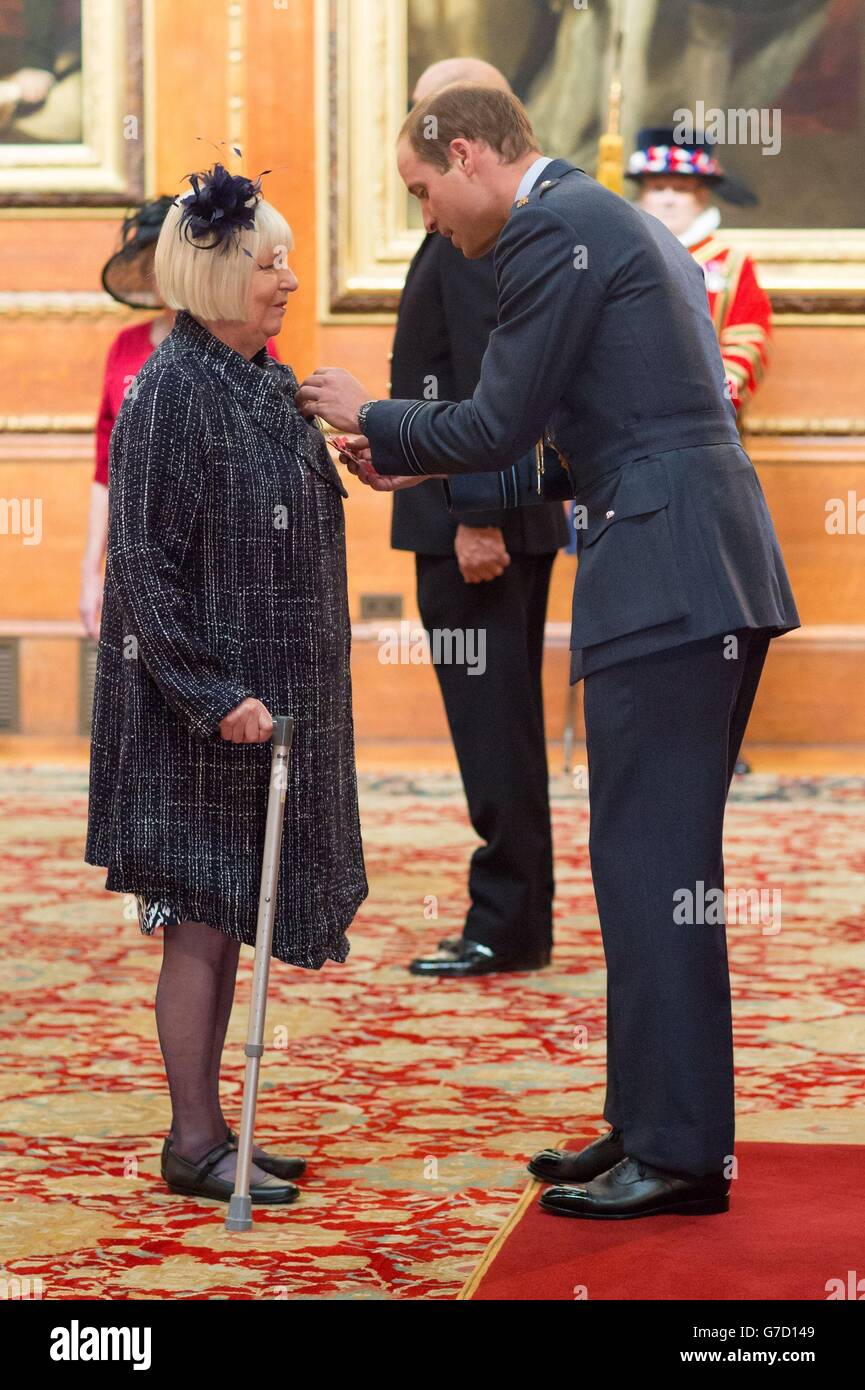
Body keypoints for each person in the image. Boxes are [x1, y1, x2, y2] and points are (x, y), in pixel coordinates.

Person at [297, 84, 800, 1220]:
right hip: (695, 560)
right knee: (645, 860)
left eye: (423, 192)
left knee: (654, 866)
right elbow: (582, 442)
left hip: (666, 575)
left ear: (466, 155)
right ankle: (647, 1123)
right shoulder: (599, 216)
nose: (428, 217)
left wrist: (374, 416)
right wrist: (424, 467)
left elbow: (495, 421)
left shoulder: (548, 230)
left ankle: (672, 1150)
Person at [84, 162, 368, 1206]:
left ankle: (211, 1128)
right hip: (197, 719)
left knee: (225, 914)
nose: (288, 280)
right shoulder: (169, 392)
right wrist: (210, 693)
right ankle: (197, 1139)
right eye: (268, 263)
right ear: (214, 275)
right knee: (198, 920)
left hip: (261, 708)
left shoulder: (252, 377)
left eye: (287, 259)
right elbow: (143, 570)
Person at [391, 57, 568, 979]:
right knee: (497, 724)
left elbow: (481, 382)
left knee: (493, 727)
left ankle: (505, 922)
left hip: (478, 528)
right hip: (478, 518)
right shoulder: (477, 224)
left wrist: (477, 518)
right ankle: (514, 913)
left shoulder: (479, 234)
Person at [79, 197, 281, 641]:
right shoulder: (125, 347)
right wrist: (91, 569)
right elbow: (104, 468)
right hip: (138, 554)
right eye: (153, 264)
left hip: (224, 557)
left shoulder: (245, 343)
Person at [627, 127, 772, 416]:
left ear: (702, 196)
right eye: (657, 188)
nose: (668, 199)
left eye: (680, 189)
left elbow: (748, 341)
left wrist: (715, 397)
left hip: (705, 420)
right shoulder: (616, 255)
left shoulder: (731, 264)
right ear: (642, 194)